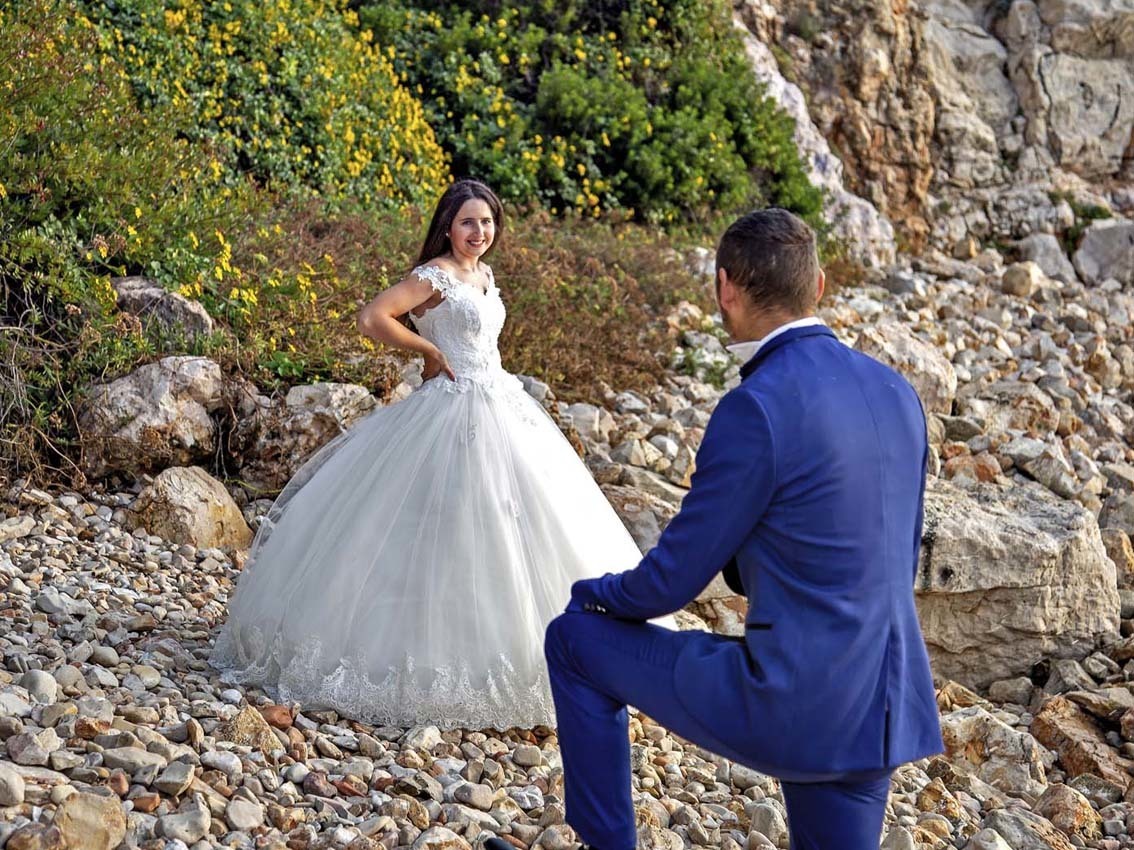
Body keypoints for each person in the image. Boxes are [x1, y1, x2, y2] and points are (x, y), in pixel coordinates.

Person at [523, 208, 943, 850]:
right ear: (819, 286)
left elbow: (671, 582)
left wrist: (594, 592)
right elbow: (898, 552)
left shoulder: (757, 407)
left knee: (574, 640)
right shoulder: (896, 391)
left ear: (725, 289)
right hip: (885, 706)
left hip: (793, 700)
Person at [211, 179, 668, 730]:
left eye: (487, 222)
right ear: (448, 226)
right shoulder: (433, 276)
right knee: (432, 524)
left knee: (518, 521)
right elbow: (372, 317)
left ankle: (544, 651)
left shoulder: (485, 275)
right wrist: (426, 346)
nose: (479, 232)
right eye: (468, 221)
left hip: (504, 405)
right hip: (450, 408)